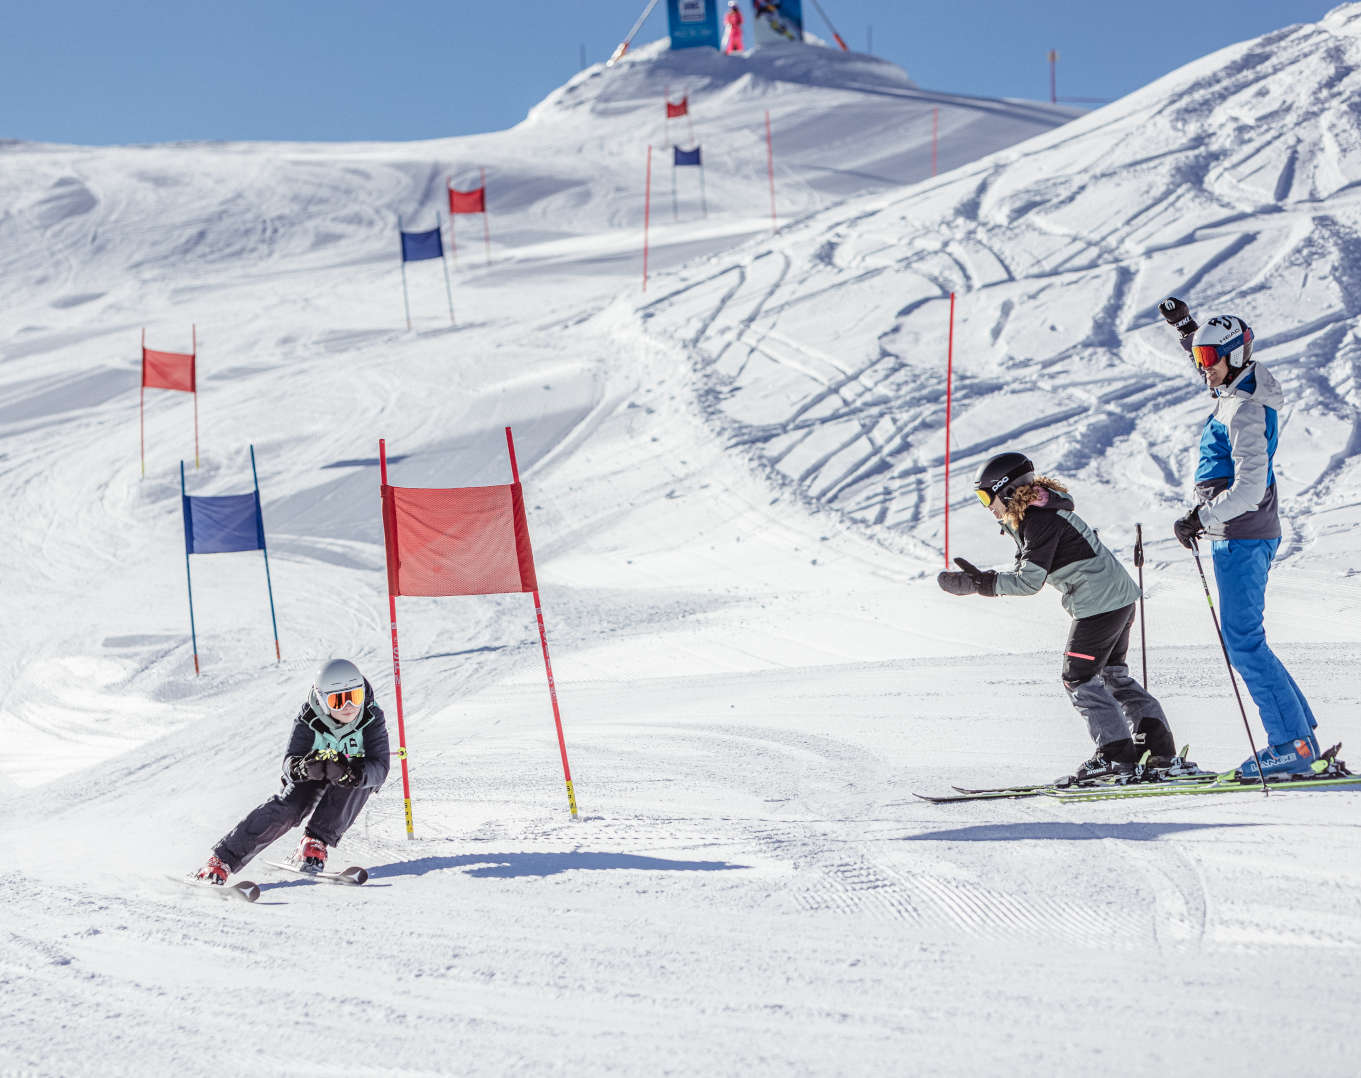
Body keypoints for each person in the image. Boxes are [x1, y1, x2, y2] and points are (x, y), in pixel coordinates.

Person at [938, 452, 1177, 780]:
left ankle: (1114, 755)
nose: (986, 506)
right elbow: (1032, 569)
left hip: (1099, 604)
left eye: (985, 496)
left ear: (1006, 490)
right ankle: (1157, 751)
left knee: (1078, 677)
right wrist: (985, 579)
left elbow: (1028, 581)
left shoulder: (1040, 520)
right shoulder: (1041, 512)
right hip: (1117, 598)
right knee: (1112, 676)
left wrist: (981, 583)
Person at [1159, 298, 1321, 777]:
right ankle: (1301, 738)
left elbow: (1250, 486)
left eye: (1209, 360)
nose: (1202, 368)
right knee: (1247, 640)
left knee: (1244, 643)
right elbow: (1211, 357)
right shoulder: (1236, 384)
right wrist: (1188, 330)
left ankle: (1291, 746)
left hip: (1241, 533)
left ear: (1234, 358)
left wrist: (1201, 518)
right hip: (1240, 532)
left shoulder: (1246, 409)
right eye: (1199, 359)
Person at [193, 659, 390, 883]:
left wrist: (352, 773)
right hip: (313, 775)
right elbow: (289, 763)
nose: (349, 707)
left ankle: (315, 842)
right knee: (289, 807)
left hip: (348, 774)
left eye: (354, 697)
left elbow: (380, 767)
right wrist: (302, 767)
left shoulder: (371, 717)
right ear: (323, 700)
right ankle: (222, 860)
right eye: (338, 701)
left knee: (359, 782)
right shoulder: (309, 717)